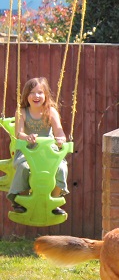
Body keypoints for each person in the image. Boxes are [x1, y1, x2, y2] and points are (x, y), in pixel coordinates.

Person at [7, 77, 69, 215]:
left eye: (40, 92)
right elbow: (19, 133)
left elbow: (59, 131)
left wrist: (61, 139)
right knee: (24, 168)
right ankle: (16, 199)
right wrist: (27, 137)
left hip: (47, 151)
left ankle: (54, 199)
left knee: (61, 168)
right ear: (26, 96)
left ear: (46, 95)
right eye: (32, 92)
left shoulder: (51, 112)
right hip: (27, 150)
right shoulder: (22, 112)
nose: (36, 96)